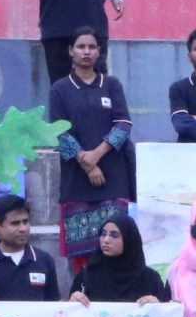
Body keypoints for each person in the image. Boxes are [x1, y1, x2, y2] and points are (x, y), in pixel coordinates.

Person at [50, 28, 135, 263]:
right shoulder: (60, 89)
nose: (86, 51)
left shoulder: (111, 85)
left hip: (114, 181)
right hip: (76, 182)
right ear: (71, 51)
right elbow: (60, 132)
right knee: (82, 260)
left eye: (91, 47)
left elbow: (123, 124)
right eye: (81, 47)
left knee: (117, 252)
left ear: (98, 51)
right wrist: (88, 165)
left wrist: (97, 154)